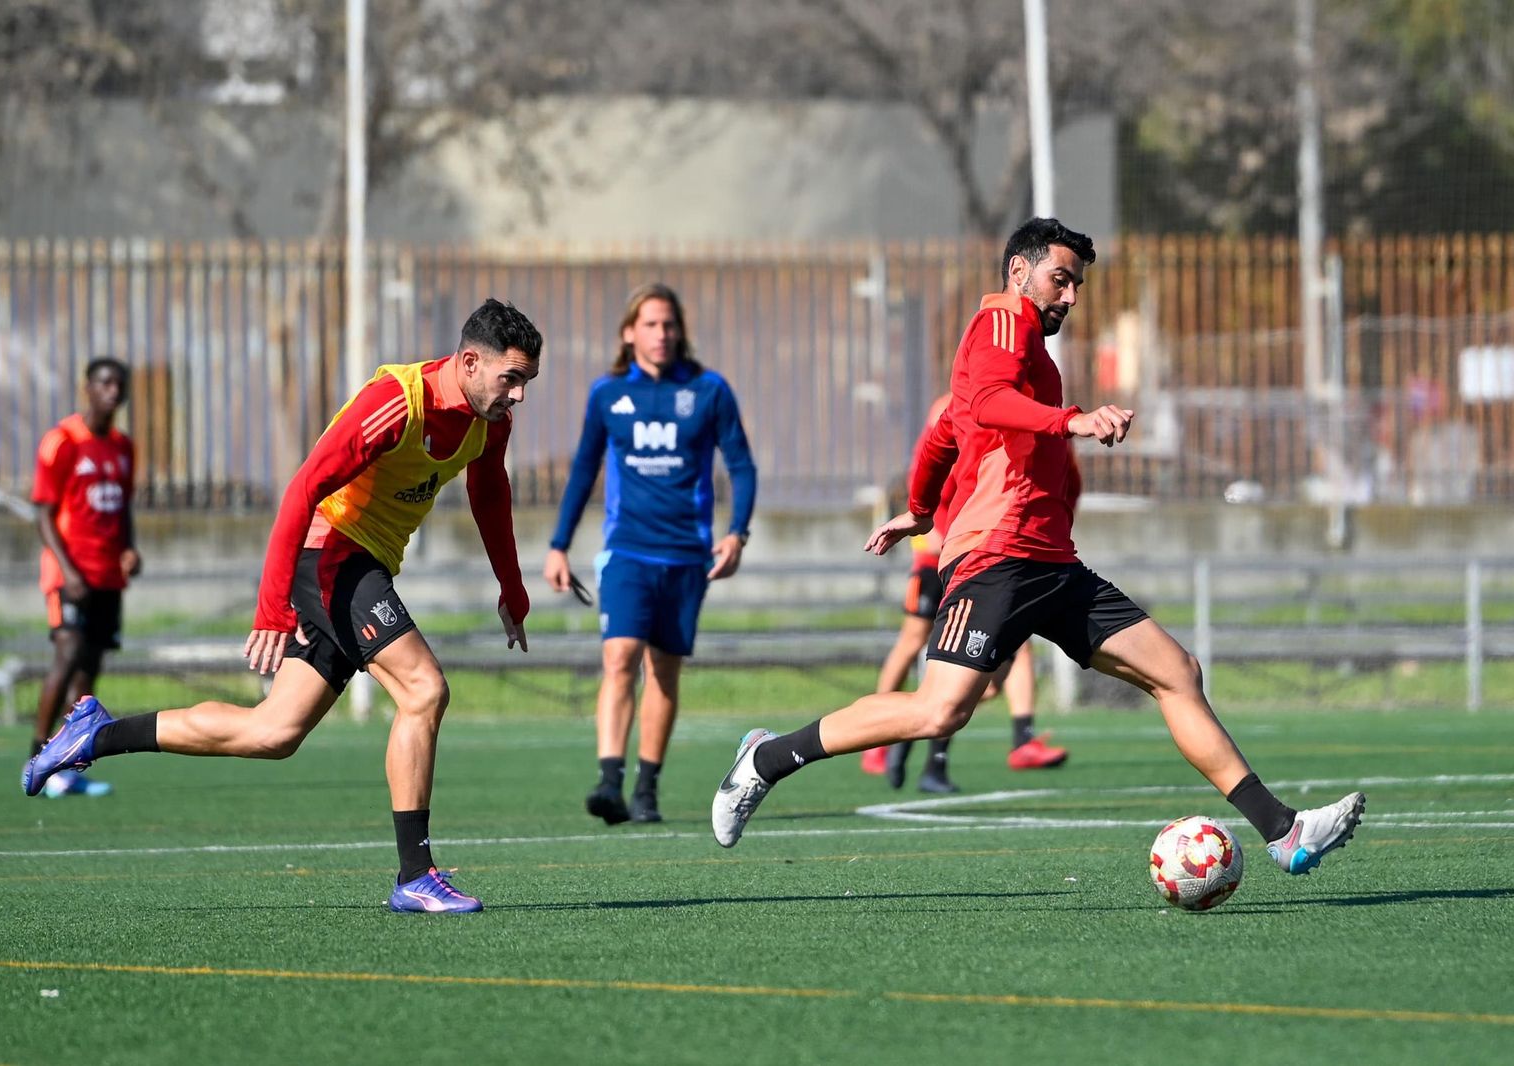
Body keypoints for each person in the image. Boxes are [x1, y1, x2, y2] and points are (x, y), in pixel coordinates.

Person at [712, 218, 1365, 879]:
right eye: (1061, 279)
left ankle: (1283, 831)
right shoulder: (1004, 321)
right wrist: (1071, 420)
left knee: (1177, 672)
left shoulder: (1031, 355)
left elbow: (943, 432)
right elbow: (989, 403)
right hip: (995, 556)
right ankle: (766, 759)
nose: (1071, 296)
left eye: (1077, 284)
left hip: (1050, 562)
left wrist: (920, 509)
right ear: (1019, 272)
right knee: (940, 711)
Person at [24, 299, 542, 915]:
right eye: (512, 378)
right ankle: (415, 875)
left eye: (526, 382)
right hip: (331, 557)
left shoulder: (489, 420)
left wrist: (512, 589)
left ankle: (97, 734)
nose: (518, 395)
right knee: (424, 690)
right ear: (470, 362)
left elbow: (490, 492)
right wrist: (271, 608)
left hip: (362, 564)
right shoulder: (396, 403)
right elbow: (303, 489)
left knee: (273, 732)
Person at [545, 283, 757, 826]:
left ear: (679, 331)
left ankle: (646, 787)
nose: (661, 334)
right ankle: (609, 780)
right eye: (650, 324)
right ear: (628, 333)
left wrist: (736, 533)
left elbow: (741, 465)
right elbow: (583, 470)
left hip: (687, 555)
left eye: (669, 324)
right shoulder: (607, 394)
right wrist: (559, 545)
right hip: (627, 552)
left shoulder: (708, 391)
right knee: (619, 658)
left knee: (664, 669)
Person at [862, 393, 1069, 792]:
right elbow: (929, 476)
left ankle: (918, 735)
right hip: (943, 561)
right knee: (916, 645)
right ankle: (885, 740)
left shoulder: (1013, 413)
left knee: (988, 675)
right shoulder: (954, 408)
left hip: (985, 558)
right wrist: (938, 532)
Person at [27, 357, 140, 798]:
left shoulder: (123, 446)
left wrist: (128, 548)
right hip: (69, 574)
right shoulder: (62, 441)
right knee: (68, 654)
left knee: (89, 668)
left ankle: (66, 765)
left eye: (119, 384)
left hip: (107, 575)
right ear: (87, 388)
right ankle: (37, 757)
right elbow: (43, 512)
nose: (113, 391)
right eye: (104, 383)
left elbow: (121, 507)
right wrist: (69, 571)